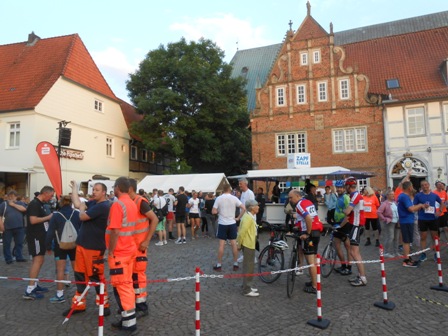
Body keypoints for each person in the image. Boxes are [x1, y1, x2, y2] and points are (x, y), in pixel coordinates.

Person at [63, 181, 111, 316]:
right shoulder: (94, 203)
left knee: (95, 277)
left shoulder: (103, 206)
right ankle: (78, 305)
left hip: (94, 248)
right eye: (93, 189)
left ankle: (104, 305)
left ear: (103, 192)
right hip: (82, 245)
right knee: (79, 275)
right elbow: (78, 204)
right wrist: (75, 189)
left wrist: (83, 208)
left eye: (97, 190)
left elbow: (82, 215)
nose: (93, 192)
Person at [106, 177, 139, 332]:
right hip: (129, 250)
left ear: (118, 187)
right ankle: (127, 319)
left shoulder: (117, 204)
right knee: (127, 285)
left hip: (119, 252)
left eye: (114, 187)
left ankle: (129, 324)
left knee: (123, 287)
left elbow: (115, 230)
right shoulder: (132, 203)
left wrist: (110, 251)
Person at [128, 178, 158, 318]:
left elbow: (154, 219)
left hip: (140, 246)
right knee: (131, 276)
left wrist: (147, 240)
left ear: (129, 189)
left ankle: (141, 306)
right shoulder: (130, 202)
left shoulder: (140, 202)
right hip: (131, 246)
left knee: (138, 277)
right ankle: (132, 304)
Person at [45, 195, 81, 303]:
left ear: (60, 203)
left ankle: (59, 294)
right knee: (77, 270)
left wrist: (48, 247)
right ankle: (80, 293)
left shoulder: (56, 215)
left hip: (60, 245)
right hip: (75, 245)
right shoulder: (77, 214)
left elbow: (50, 232)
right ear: (71, 203)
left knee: (60, 270)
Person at [288, 189, 323, 294]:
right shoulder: (308, 202)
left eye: (291, 197)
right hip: (317, 232)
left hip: (310, 234)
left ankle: (314, 287)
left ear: (298, 196)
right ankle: (315, 282)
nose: (290, 200)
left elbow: (308, 218)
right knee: (314, 260)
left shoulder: (299, 204)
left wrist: (307, 233)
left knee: (310, 262)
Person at [23, 186, 54, 300]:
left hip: (40, 236)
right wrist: (48, 217)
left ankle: (34, 284)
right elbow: (33, 220)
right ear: (45, 193)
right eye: (51, 196)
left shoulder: (40, 203)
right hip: (35, 236)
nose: (51, 198)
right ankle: (29, 289)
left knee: (39, 260)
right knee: (38, 260)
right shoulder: (35, 204)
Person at [340, 177, 367, 287]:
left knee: (355, 252)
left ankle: (363, 277)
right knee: (352, 251)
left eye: (345, 186)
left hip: (356, 225)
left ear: (348, 186)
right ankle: (361, 275)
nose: (344, 188)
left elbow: (347, 211)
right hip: (354, 225)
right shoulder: (353, 195)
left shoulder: (355, 195)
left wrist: (343, 209)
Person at [212, 184, 245, 271]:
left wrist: (219, 211)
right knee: (234, 244)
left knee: (221, 245)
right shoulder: (234, 198)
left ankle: (219, 265)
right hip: (232, 223)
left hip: (222, 223)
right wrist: (238, 217)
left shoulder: (219, 198)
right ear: (230, 190)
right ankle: (235, 263)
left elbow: (214, 211)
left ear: (223, 190)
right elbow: (244, 208)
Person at [414, 180, 445, 262]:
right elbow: (414, 206)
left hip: (433, 218)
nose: (424, 186)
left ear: (429, 185)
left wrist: (440, 211)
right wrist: (422, 206)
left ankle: (436, 254)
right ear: (421, 187)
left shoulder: (434, 195)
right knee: (423, 237)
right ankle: (423, 254)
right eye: (423, 185)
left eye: (426, 185)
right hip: (422, 218)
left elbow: (442, 203)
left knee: (434, 237)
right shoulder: (418, 196)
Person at [397, 181, 425, 267]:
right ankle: (406, 260)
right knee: (406, 241)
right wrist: (420, 205)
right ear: (409, 188)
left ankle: (408, 258)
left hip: (407, 220)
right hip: (406, 221)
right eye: (412, 186)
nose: (413, 188)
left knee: (408, 241)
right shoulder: (404, 197)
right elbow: (411, 209)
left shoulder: (404, 196)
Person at [237, 199, 260, 297]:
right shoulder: (248, 218)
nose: (258, 207)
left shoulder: (249, 216)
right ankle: (246, 289)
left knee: (249, 266)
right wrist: (239, 244)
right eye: (256, 205)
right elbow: (242, 232)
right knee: (248, 267)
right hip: (248, 244)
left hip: (249, 244)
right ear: (252, 208)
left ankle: (247, 286)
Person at [0, 190, 27, 264]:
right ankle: (8, 259)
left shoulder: (20, 203)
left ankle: (19, 256)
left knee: (19, 243)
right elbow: (0, 215)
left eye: (13, 196)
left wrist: (13, 205)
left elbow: (24, 209)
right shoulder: (4, 204)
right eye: (10, 196)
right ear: (7, 197)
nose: (11, 197)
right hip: (7, 227)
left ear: (16, 197)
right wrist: (1, 225)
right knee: (7, 244)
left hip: (19, 227)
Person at [332, 180, 352, 275]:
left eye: (340, 187)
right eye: (337, 187)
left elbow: (348, 213)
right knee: (337, 244)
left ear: (344, 188)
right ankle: (344, 265)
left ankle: (349, 267)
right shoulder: (338, 197)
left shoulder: (345, 197)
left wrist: (342, 225)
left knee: (348, 246)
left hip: (344, 224)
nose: (339, 189)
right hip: (338, 223)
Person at [377, 190, 399, 258]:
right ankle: (386, 252)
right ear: (387, 195)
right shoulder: (385, 203)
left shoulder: (395, 203)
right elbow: (379, 212)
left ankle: (396, 252)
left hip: (397, 221)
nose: (393, 195)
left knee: (396, 237)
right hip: (389, 222)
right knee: (390, 237)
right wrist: (384, 219)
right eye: (391, 194)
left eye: (393, 194)